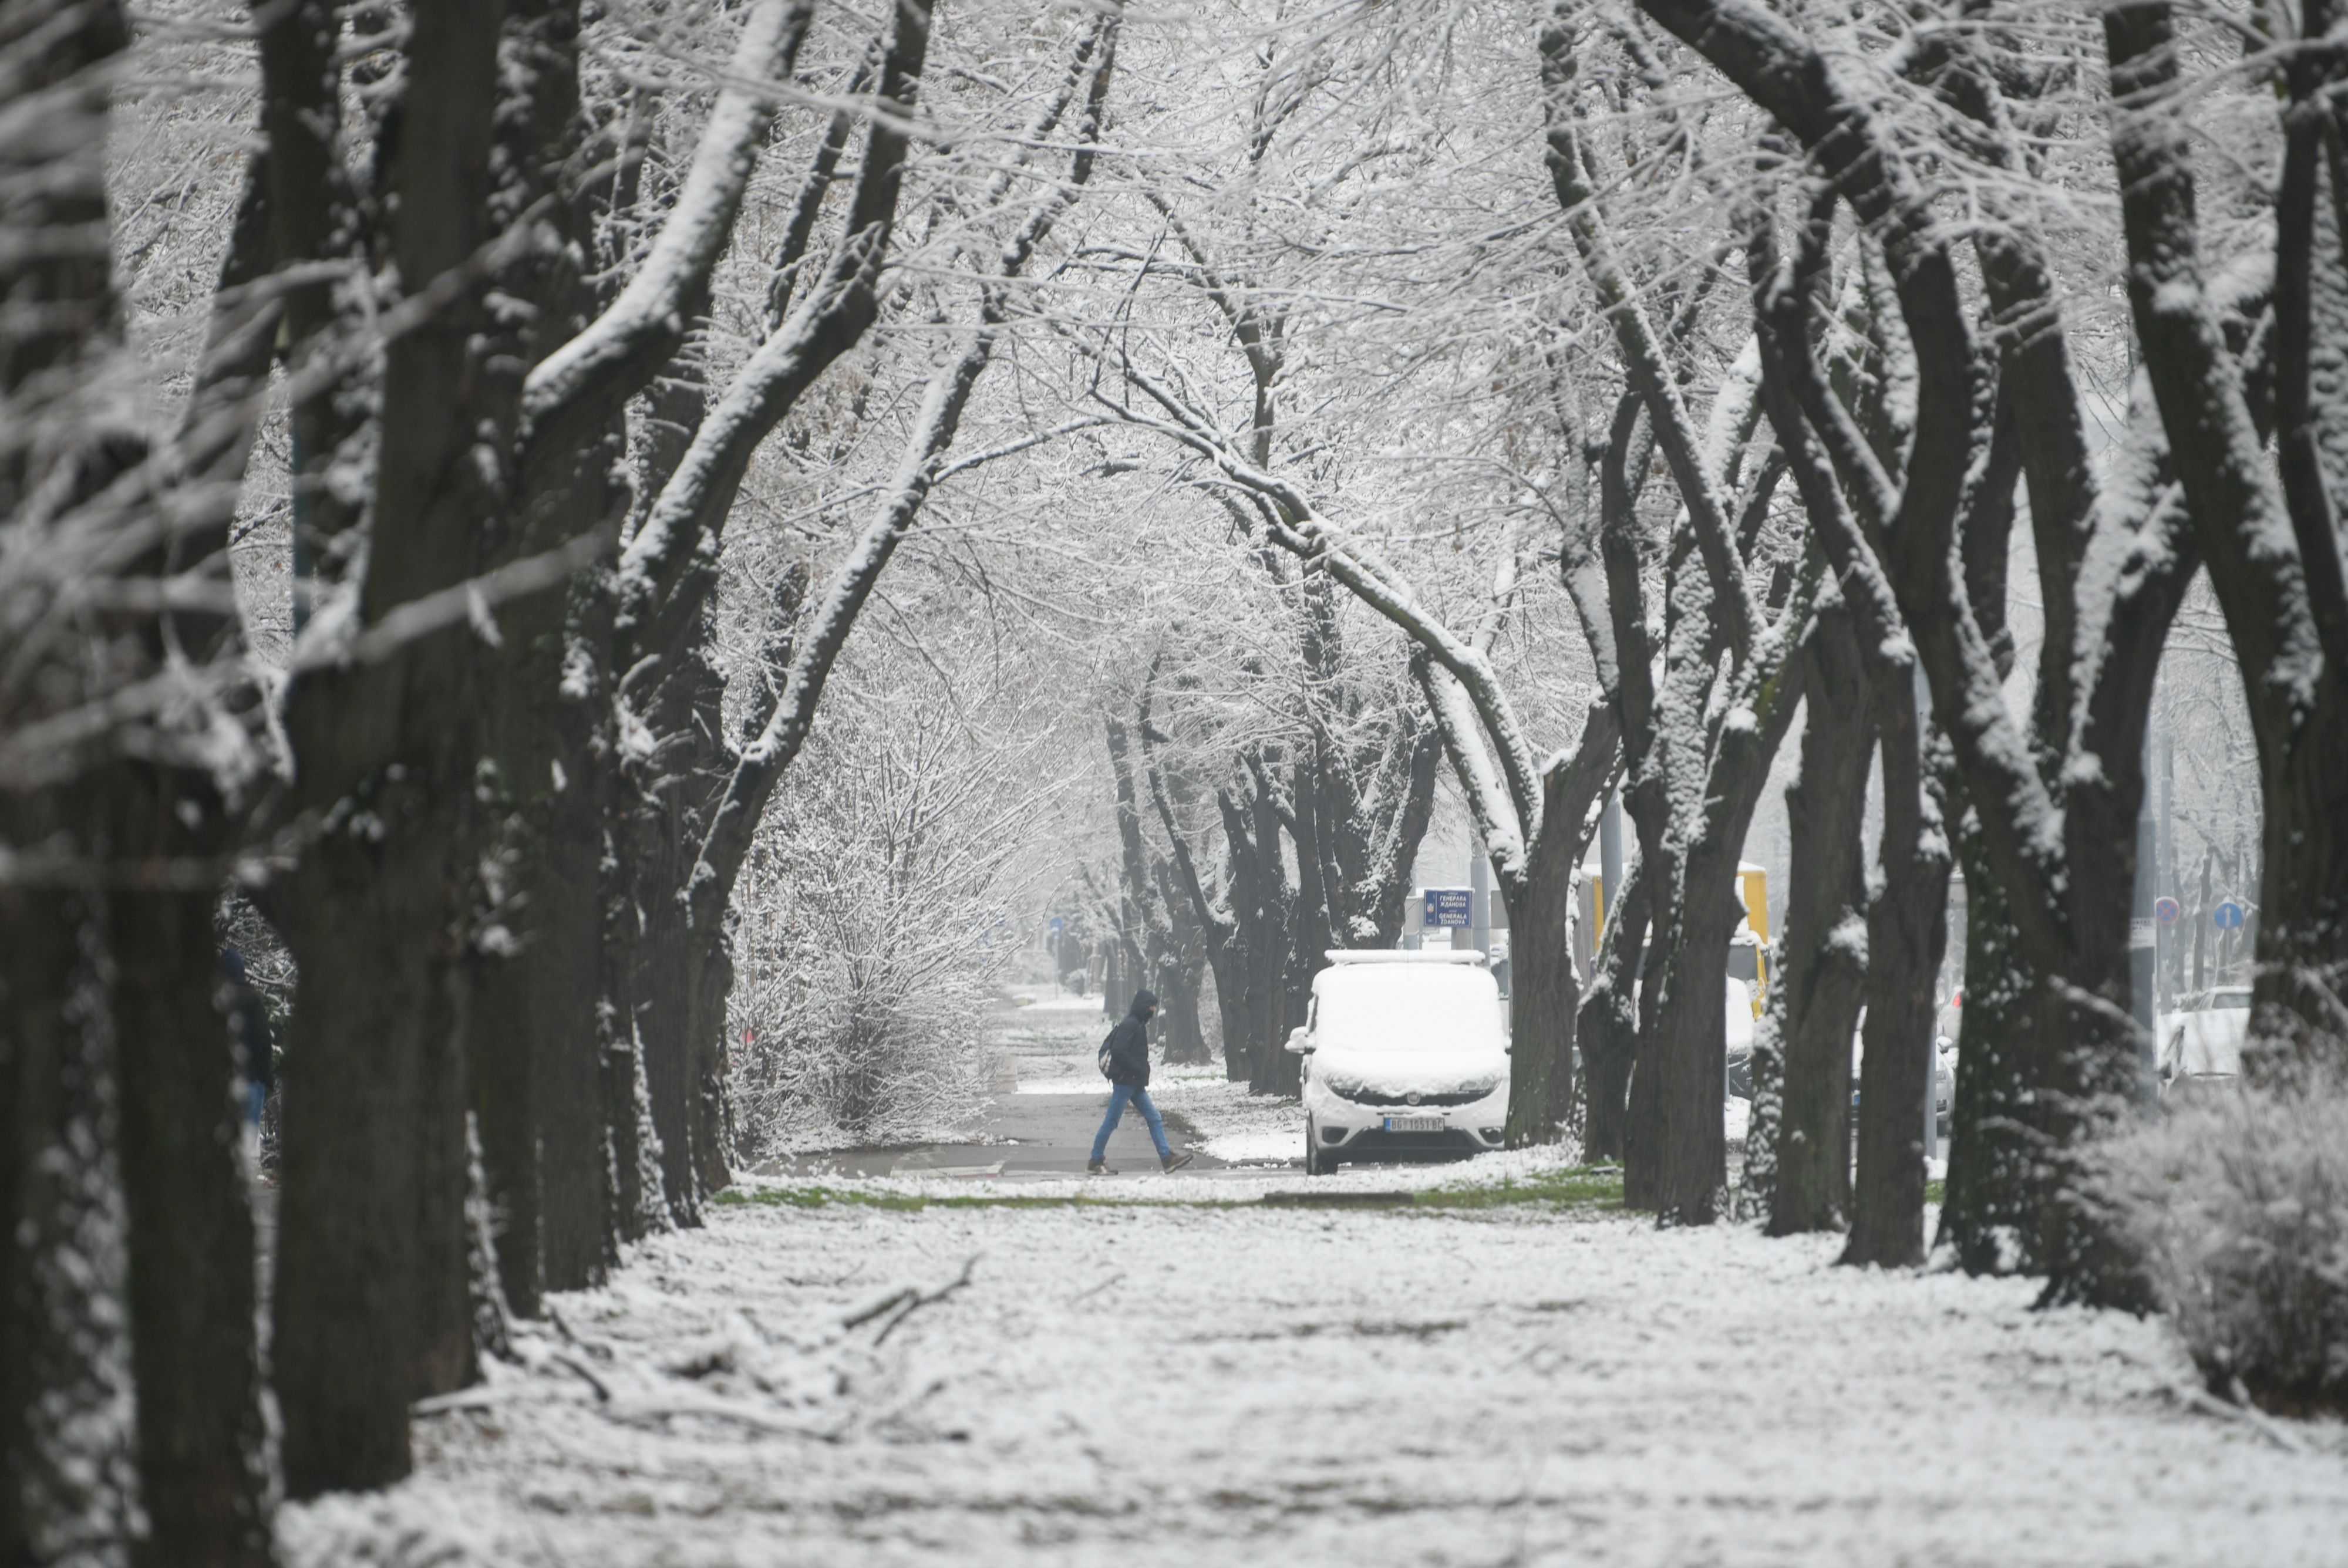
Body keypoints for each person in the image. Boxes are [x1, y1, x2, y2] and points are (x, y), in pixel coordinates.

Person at [1089, 989, 1192, 1175]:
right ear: (1143, 1006)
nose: (1153, 1009)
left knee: (1154, 1117)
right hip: (1126, 1082)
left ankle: (1167, 1159)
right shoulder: (1131, 1024)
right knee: (1111, 1121)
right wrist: (1139, 1067)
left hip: (1134, 1084)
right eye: (1151, 1006)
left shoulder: (1138, 1024)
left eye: (1155, 1006)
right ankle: (1095, 1161)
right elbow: (1119, 1051)